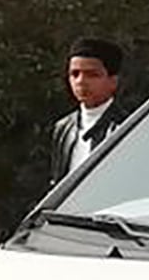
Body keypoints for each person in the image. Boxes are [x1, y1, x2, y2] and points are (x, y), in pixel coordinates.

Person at [53, 40, 128, 190]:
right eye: (75, 74)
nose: (81, 81)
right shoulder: (64, 127)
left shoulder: (126, 127)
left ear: (113, 81)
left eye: (92, 75)